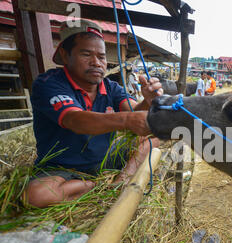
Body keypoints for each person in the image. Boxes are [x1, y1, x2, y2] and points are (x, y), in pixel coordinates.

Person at [23, 20, 163, 208]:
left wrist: (147, 101)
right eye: (86, 54)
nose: (96, 63)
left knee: (153, 139)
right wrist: (127, 119)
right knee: (35, 196)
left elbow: (133, 111)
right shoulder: (49, 83)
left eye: (102, 57)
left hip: (104, 159)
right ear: (65, 55)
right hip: (61, 169)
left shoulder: (111, 87)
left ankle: (123, 179)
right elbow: (75, 120)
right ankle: (94, 186)